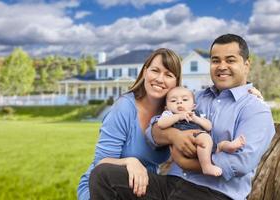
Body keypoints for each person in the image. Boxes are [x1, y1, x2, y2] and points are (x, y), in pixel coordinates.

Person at [89, 34, 275, 200]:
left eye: (230, 60)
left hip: (213, 193)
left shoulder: (255, 109)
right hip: (169, 184)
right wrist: (173, 136)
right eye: (215, 60)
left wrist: (188, 163)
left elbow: (241, 163)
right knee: (104, 175)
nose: (222, 66)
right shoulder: (195, 97)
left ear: (246, 65)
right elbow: (152, 131)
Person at [77, 48, 182, 200]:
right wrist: (129, 162)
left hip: (141, 188)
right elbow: (101, 163)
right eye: (155, 70)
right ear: (145, 71)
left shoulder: (172, 116)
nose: (160, 79)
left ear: (176, 82)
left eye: (168, 74)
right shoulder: (124, 107)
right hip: (103, 187)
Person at [158, 86, 246, 177]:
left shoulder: (195, 114)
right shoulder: (169, 114)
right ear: (167, 108)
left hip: (203, 145)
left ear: (193, 106)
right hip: (188, 143)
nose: (179, 102)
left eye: (184, 99)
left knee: (220, 144)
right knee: (205, 138)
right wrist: (178, 117)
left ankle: (229, 146)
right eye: (173, 101)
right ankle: (206, 166)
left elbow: (209, 126)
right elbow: (161, 124)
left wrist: (196, 119)